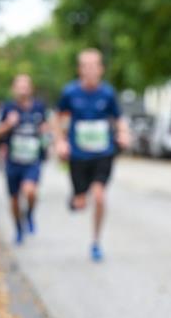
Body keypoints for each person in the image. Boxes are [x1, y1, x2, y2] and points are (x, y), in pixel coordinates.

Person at [54, 48, 130, 262]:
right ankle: (77, 197)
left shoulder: (107, 93)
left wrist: (123, 133)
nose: (90, 70)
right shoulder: (69, 92)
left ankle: (96, 241)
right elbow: (58, 119)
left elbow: (119, 118)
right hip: (78, 156)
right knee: (80, 203)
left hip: (103, 154)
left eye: (94, 65)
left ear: (101, 69)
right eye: (85, 66)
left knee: (99, 196)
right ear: (79, 69)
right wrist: (60, 142)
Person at [0, 74, 49, 245]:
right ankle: (18, 228)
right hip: (13, 161)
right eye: (19, 86)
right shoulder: (7, 108)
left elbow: (46, 129)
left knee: (30, 191)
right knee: (15, 199)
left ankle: (30, 213)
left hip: (32, 160)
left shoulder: (39, 108)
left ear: (31, 89)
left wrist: (46, 132)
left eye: (26, 86)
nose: (23, 89)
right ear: (14, 89)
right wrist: (8, 124)